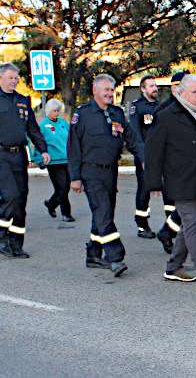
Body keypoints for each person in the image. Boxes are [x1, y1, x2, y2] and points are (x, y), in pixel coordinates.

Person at [145, 74, 196, 289]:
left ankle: (173, 267)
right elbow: (153, 150)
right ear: (180, 92)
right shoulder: (166, 115)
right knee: (191, 222)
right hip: (179, 179)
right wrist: (153, 182)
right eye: (194, 92)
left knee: (187, 225)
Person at [69, 75, 143, 277]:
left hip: (110, 171)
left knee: (104, 213)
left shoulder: (117, 113)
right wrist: (74, 177)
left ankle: (93, 254)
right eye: (106, 90)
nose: (110, 93)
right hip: (90, 171)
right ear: (95, 91)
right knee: (102, 210)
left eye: (112, 90)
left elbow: (132, 139)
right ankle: (115, 257)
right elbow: (73, 147)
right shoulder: (82, 114)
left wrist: (144, 158)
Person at [0, 62, 50, 259]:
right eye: (10, 77)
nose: (14, 81)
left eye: (16, 78)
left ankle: (16, 243)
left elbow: (33, 129)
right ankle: (0, 237)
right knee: (10, 195)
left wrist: (43, 150)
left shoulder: (22, 101)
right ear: (1, 78)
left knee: (21, 200)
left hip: (19, 155)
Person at [153, 71, 188, 253]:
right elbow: (156, 144)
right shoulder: (164, 110)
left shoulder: (191, 107)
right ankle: (173, 238)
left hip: (190, 165)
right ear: (175, 87)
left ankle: (169, 234)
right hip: (172, 166)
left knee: (190, 206)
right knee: (185, 206)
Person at [128, 74, 161, 239]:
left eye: (155, 85)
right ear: (143, 89)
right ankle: (142, 225)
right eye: (151, 86)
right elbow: (135, 135)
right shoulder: (137, 107)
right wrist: (142, 158)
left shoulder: (160, 106)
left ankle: (172, 224)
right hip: (146, 156)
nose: (155, 88)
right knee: (144, 190)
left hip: (162, 156)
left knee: (168, 189)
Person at [35, 98, 74, 222]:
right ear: (48, 111)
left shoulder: (63, 123)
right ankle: (66, 214)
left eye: (58, 110)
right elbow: (38, 142)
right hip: (53, 162)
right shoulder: (43, 125)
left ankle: (51, 204)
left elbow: (71, 139)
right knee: (62, 188)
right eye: (54, 110)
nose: (57, 113)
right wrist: (38, 159)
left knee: (64, 188)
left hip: (67, 160)